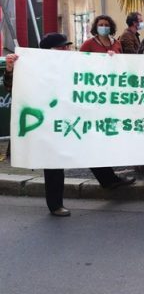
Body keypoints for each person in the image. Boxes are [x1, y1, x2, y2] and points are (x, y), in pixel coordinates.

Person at [5, 33, 135, 216]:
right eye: (61, 47)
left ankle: (109, 181)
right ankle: (55, 204)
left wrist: (109, 62)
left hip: (73, 117)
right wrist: (11, 69)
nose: (66, 50)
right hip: (48, 122)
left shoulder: (74, 63)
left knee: (88, 148)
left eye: (66, 46)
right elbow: (13, 87)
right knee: (53, 162)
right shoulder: (33, 66)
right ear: (47, 51)